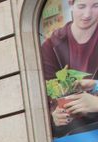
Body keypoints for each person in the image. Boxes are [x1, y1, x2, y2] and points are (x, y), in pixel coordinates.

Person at [41, 0, 98, 133]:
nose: (87, 14)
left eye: (96, 6)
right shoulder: (50, 46)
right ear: (71, 4)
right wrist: (53, 117)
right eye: (82, 6)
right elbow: (42, 100)